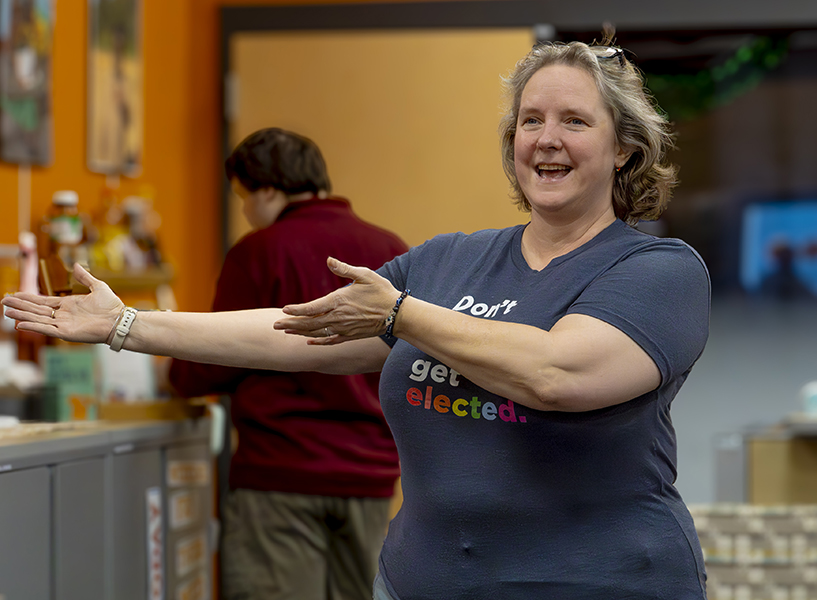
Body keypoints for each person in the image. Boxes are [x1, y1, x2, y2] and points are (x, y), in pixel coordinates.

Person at [3, 39, 711, 599]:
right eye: (530, 121)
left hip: (604, 585)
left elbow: (557, 372)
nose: (546, 139)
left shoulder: (659, 272)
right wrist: (127, 325)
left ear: (623, 147)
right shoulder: (449, 261)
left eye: (574, 121)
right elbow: (294, 330)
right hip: (421, 582)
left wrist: (402, 314)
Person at [167, 128, 408, 600]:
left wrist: (173, 374)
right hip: (371, 476)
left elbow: (216, 358)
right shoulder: (391, 249)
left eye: (244, 198)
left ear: (269, 191)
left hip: (280, 475)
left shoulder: (258, 252)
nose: (245, 213)